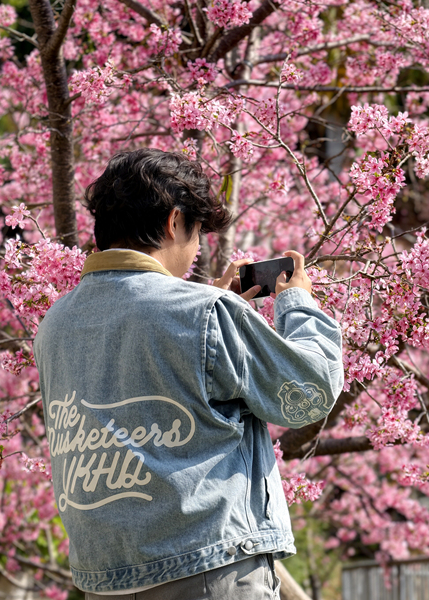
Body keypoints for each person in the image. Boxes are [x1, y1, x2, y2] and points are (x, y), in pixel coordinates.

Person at [33, 148, 344, 600]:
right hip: (208, 569)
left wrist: (214, 308)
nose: (197, 252)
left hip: (105, 579)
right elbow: (309, 392)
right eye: (197, 234)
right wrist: (297, 304)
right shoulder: (204, 314)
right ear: (174, 222)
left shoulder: (54, 324)